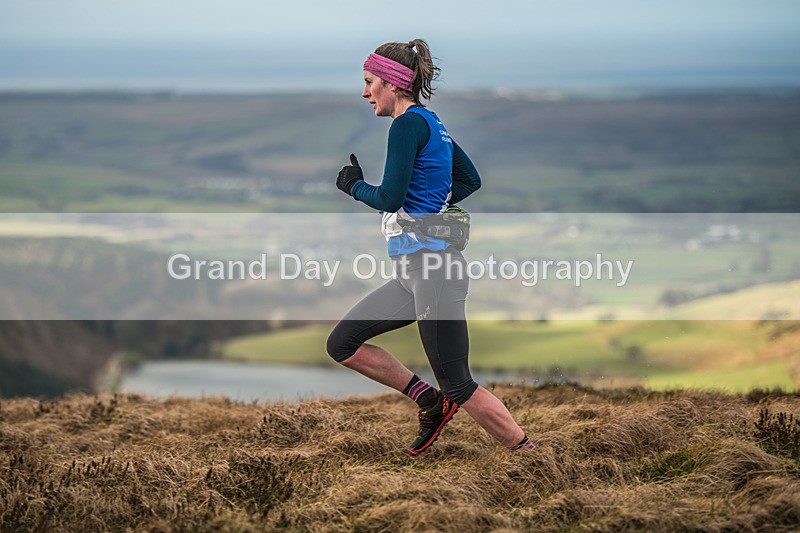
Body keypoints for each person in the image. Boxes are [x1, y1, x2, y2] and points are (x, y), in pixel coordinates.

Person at [327, 38, 534, 455]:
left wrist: (353, 186)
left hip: (434, 272)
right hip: (411, 274)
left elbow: (386, 198)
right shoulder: (434, 124)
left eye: (370, 83)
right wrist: (429, 209)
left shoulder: (406, 125)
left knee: (457, 380)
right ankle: (428, 401)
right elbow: (469, 180)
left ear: (393, 83)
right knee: (342, 345)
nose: (365, 93)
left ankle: (531, 455)